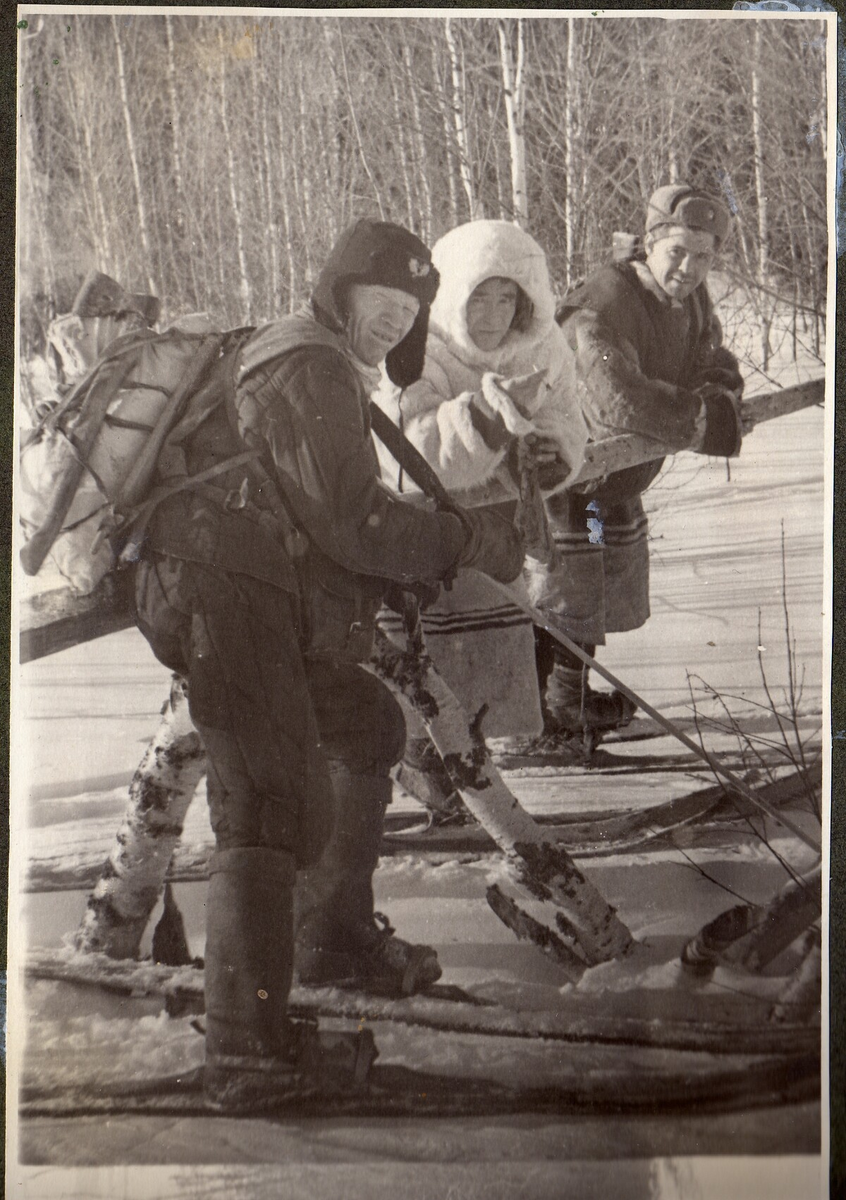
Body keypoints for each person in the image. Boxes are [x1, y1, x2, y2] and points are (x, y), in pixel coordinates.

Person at [132, 219, 524, 1110]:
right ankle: (246, 1047)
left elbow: (323, 517)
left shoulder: (322, 366)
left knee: (364, 723)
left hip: (255, 592)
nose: (395, 322)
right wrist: (473, 538)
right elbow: (355, 521)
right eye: (383, 303)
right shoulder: (304, 364)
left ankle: (331, 939)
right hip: (222, 598)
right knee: (268, 799)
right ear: (341, 291)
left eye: (409, 310)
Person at [372, 219, 588, 807]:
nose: (491, 315)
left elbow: (571, 420)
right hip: (425, 537)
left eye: (507, 298)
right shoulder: (419, 347)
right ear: (452, 294)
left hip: (495, 537)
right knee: (428, 657)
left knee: (489, 659)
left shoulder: (544, 346)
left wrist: (553, 456)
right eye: (478, 297)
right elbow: (411, 447)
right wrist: (486, 424)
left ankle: (471, 765)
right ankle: (420, 763)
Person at [531, 183, 745, 746]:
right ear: (650, 242)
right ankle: (543, 708)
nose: (690, 268)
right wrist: (699, 422)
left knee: (593, 584)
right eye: (678, 251)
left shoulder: (690, 298)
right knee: (562, 587)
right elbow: (614, 396)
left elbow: (711, 353)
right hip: (569, 480)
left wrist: (719, 392)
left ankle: (568, 694)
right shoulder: (604, 300)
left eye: (704, 256)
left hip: (610, 488)